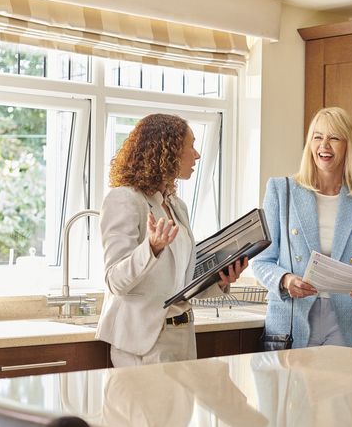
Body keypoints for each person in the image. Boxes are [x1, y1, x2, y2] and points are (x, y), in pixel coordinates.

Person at [96, 113, 247, 367]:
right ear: (167, 151)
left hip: (182, 337)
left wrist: (220, 280)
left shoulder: (176, 206)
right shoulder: (124, 199)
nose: (197, 155)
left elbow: (182, 280)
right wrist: (151, 249)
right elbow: (115, 280)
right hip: (142, 344)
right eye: (190, 146)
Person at [252, 107, 352, 350]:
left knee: (350, 389)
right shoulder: (281, 190)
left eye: (334, 138)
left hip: (350, 322)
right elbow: (262, 261)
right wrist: (284, 279)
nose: (325, 145)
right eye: (318, 137)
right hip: (292, 321)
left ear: (348, 145)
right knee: (293, 389)